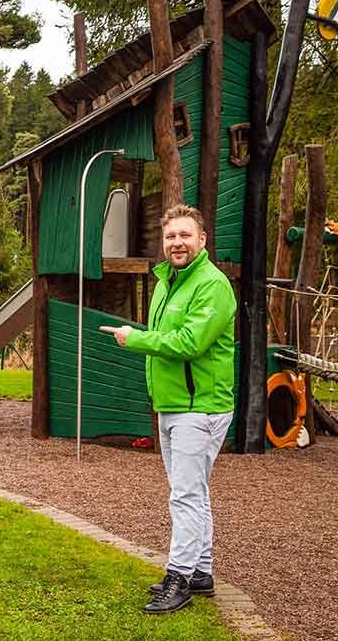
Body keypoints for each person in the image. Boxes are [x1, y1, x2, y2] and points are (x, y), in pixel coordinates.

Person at [99, 204, 236, 614]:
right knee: (193, 492)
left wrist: (134, 338)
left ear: (202, 240)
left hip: (201, 406)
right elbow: (166, 337)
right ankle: (201, 572)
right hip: (173, 404)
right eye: (171, 236)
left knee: (185, 495)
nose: (177, 243)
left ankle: (179, 578)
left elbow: (188, 344)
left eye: (185, 236)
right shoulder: (166, 283)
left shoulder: (212, 285)